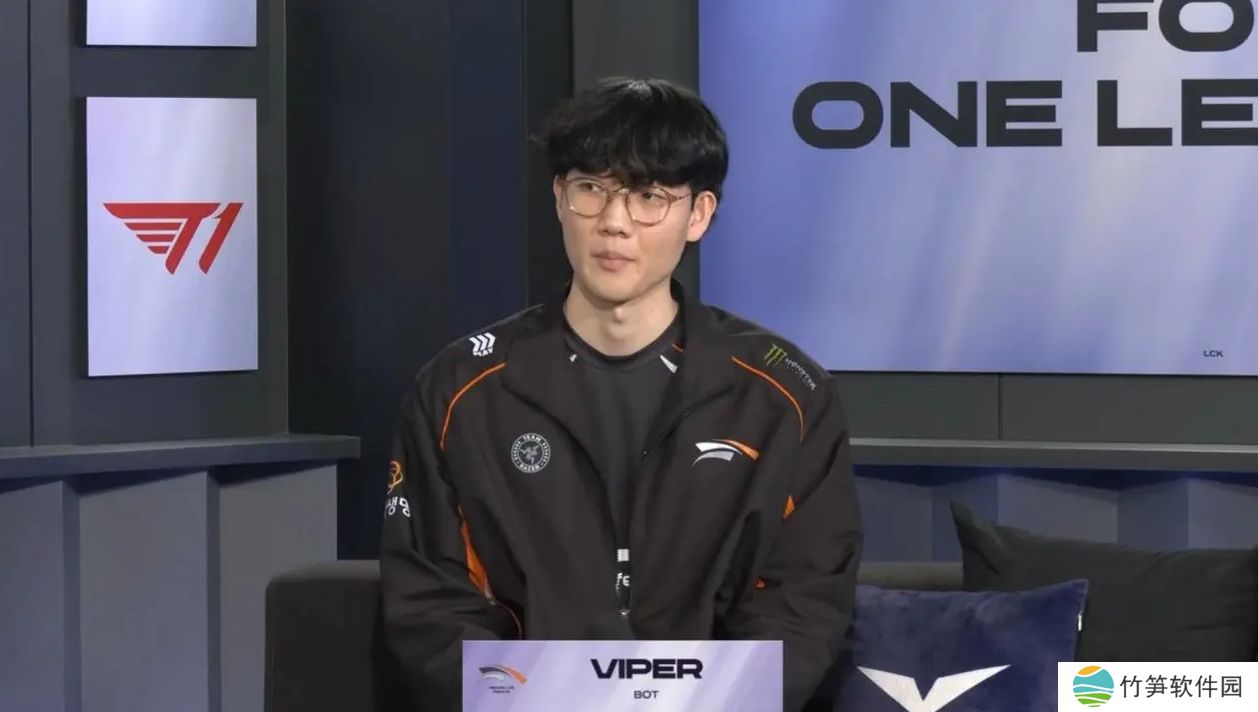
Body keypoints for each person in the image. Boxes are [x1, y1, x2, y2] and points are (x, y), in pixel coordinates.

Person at [380, 77, 863, 711]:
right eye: (591, 189)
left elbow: (804, 604)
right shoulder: (458, 391)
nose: (614, 224)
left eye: (648, 197)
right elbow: (432, 608)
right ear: (559, 198)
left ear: (699, 215)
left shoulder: (784, 396)